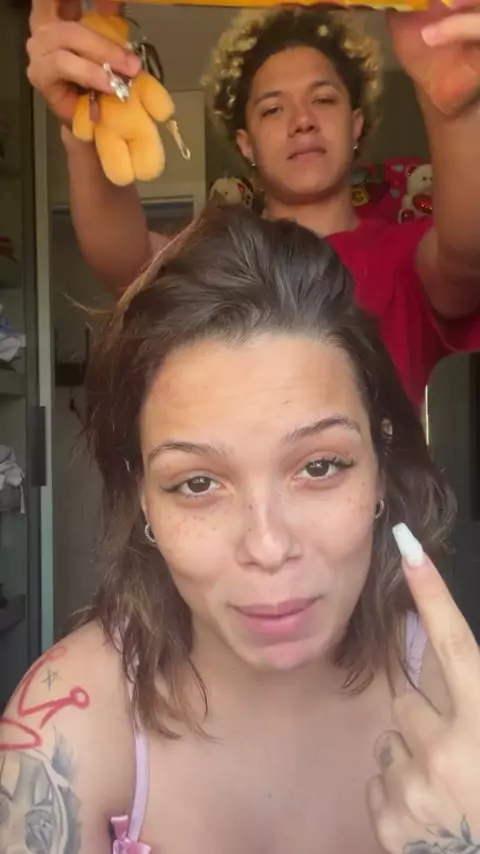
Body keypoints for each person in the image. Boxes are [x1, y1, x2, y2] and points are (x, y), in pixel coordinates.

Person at [1, 206, 479, 854]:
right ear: (143, 497)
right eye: (198, 483)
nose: (268, 547)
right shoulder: (67, 725)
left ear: (379, 464)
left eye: (319, 466)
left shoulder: (462, 712)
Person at [27, 0, 480, 408]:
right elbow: (125, 263)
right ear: (246, 144)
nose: (302, 121)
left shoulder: (405, 261)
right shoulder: (217, 258)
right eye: (272, 109)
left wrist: (454, 111)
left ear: (356, 123)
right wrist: (86, 124)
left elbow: (466, 253)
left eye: (323, 99)